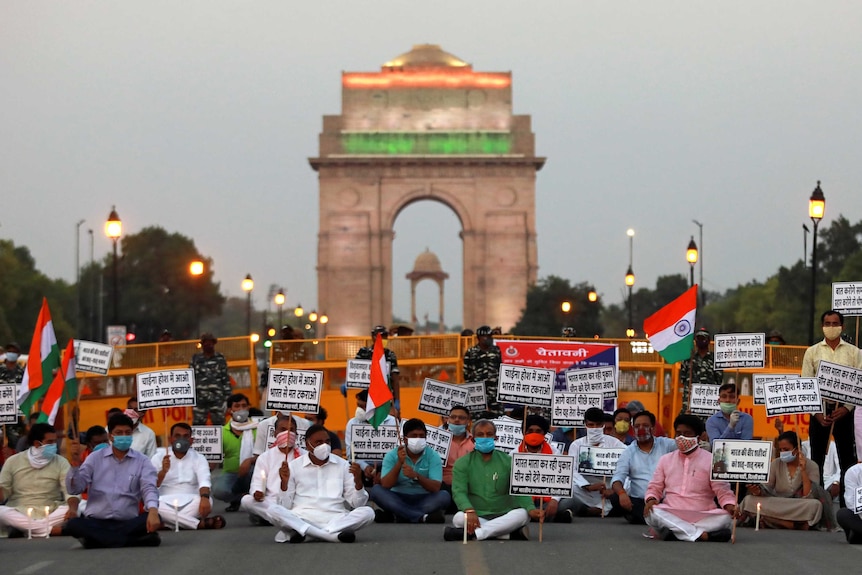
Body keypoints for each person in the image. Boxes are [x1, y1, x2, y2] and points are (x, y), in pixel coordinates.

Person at [65, 412, 162, 548]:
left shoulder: (142, 461)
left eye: (127, 432)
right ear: (110, 436)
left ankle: (97, 541)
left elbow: (149, 488)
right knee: (73, 524)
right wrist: (75, 465)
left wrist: (152, 511)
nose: (124, 436)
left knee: (155, 517)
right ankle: (131, 542)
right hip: (97, 520)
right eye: (119, 432)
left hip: (127, 521)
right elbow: (75, 488)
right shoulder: (94, 458)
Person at [267, 424, 374, 543]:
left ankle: (307, 533)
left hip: (335, 519)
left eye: (327, 442)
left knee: (368, 512)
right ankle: (331, 536)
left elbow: (357, 504)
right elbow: (284, 506)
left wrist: (358, 482)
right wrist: (284, 483)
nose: (324, 446)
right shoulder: (293, 466)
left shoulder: (343, 465)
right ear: (307, 445)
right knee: (273, 510)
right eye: (318, 442)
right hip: (302, 517)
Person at [643, 414, 736, 542]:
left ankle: (679, 533)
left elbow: (723, 491)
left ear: (699, 437)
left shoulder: (715, 460)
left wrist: (730, 505)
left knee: (726, 518)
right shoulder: (665, 460)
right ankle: (701, 535)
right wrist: (651, 499)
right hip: (671, 511)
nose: (682, 438)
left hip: (703, 514)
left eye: (687, 433)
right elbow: (655, 487)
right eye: (678, 433)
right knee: (653, 513)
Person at [443, 419, 540, 541]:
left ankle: (475, 534)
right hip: (476, 514)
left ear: (496, 438)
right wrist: (469, 509)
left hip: (504, 513)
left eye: (489, 434)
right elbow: (459, 492)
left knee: (523, 514)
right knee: (459, 518)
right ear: (473, 439)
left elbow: (519, 491)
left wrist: (531, 509)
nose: (485, 437)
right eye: (480, 435)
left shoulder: (508, 461)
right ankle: (506, 534)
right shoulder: (462, 463)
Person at [802, 310, 860, 491]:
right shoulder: (812, 352)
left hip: (843, 413)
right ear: (822, 326)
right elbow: (806, 384)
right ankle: (819, 504)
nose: (831, 327)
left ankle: (847, 507)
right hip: (820, 413)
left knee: (847, 462)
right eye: (827, 323)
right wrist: (817, 413)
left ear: (842, 326)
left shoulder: (855, 353)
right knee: (816, 461)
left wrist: (846, 409)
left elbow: (859, 383)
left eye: (835, 323)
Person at [739, 431, 835, 530]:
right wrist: (757, 491)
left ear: (797, 449)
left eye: (786, 449)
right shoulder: (776, 463)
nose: (783, 453)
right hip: (778, 503)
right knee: (749, 500)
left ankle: (771, 520)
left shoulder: (812, 465)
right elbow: (767, 488)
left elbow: (808, 495)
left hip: (798, 505)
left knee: (815, 505)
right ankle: (789, 524)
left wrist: (803, 471)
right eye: (781, 450)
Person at [0, 423, 78, 537]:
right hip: (20, 511)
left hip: (51, 511)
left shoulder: (61, 462)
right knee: (2, 512)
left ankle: (26, 529)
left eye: (55, 441)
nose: (54, 445)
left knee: (78, 507)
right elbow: (3, 492)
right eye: (50, 442)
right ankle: (51, 530)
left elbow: (70, 491)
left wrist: (73, 509)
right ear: (37, 443)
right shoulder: (13, 461)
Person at [370, 418, 450, 523]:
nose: (418, 439)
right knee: (376, 491)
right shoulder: (392, 455)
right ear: (405, 439)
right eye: (414, 435)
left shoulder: (433, 456)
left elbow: (435, 487)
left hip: (424, 498)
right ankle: (421, 517)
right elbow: (386, 484)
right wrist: (399, 463)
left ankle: (398, 515)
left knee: (444, 496)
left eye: (422, 436)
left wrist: (416, 476)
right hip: (397, 497)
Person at [609, 410, 677, 524]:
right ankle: (661, 519)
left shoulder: (667, 445)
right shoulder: (628, 452)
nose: (641, 429)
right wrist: (622, 494)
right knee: (616, 498)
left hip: (665, 499)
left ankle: (652, 517)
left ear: (653, 428)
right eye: (637, 426)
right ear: (632, 429)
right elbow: (617, 479)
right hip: (640, 500)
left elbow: (686, 447)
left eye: (645, 425)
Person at [152, 423, 223, 530]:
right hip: (163, 501)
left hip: (191, 501)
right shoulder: (158, 457)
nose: (181, 439)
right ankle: (197, 524)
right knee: (151, 505)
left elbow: (204, 481)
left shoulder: (199, 457)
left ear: (191, 440)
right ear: (170, 439)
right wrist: (163, 471)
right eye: (177, 436)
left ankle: (167, 523)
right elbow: (152, 484)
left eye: (185, 436)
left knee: (208, 501)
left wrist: (204, 498)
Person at [559, 407, 625, 518]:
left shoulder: (616, 444)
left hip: (608, 488)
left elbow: (625, 469)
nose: (594, 428)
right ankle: (598, 509)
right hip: (585, 489)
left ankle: (598, 509)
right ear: (585, 425)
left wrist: (613, 490)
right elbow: (572, 471)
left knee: (629, 485)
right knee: (570, 486)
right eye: (591, 425)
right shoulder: (576, 445)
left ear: (603, 425)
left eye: (598, 425)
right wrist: (587, 486)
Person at [241, 414, 303, 525]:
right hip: (271, 501)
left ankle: (273, 518)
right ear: (275, 433)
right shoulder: (265, 457)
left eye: (291, 430)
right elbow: (257, 483)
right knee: (246, 500)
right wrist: (257, 493)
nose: (288, 434)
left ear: (296, 433)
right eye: (283, 430)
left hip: (296, 500)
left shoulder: (304, 456)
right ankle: (284, 517)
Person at [517, 415, 567, 523]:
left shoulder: (554, 453)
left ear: (544, 434)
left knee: (571, 500)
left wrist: (554, 500)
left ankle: (536, 516)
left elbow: (562, 480)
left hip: (547, 499)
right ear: (523, 433)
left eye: (538, 431)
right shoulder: (514, 454)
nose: (534, 434)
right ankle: (546, 516)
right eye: (530, 431)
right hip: (524, 500)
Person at [214, 393, 257, 512]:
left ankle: (255, 500)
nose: (241, 409)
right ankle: (241, 498)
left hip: (253, 472)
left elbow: (266, 453)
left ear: (249, 408)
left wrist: (250, 460)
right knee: (218, 491)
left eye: (244, 405)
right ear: (230, 410)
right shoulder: (222, 432)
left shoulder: (258, 428)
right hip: (231, 473)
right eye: (237, 406)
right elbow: (214, 461)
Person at [345, 389, 397, 485]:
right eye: (358, 406)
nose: (359, 410)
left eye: (363, 406)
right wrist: (365, 467)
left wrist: (385, 469)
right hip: (361, 466)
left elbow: (396, 452)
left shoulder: (392, 422)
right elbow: (350, 452)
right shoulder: (352, 423)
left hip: (386, 466)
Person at [190, 333, 232, 425]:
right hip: (199, 397)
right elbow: (190, 379)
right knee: (198, 424)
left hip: (217, 397)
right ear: (202, 344)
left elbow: (225, 378)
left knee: (219, 424)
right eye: (205, 343)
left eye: (210, 343)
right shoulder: (196, 359)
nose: (208, 345)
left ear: (214, 344)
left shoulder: (220, 358)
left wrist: (228, 398)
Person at [679, 328, 724, 414]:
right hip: (690, 400)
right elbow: (683, 379)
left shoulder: (715, 359)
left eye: (703, 338)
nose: (700, 341)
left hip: (708, 401)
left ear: (708, 341)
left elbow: (719, 379)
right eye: (698, 338)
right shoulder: (688, 359)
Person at [463, 326, 503, 419]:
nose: (487, 338)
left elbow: (500, 367)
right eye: (484, 336)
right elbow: (466, 372)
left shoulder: (496, 350)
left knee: (498, 417)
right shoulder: (471, 352)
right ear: (478, 338)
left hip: (494, 390)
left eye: (489, 336)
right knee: (477, 418)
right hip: (478, 391)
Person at [354, 325, 401, 403]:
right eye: (381, 336)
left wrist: (397, 400)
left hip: (385, 397)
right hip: (367, 398)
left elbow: (395, 379)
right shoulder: (364, 352)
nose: (383, 339)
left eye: (385, 337)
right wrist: (347, 384)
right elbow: (354, 372)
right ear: (373, 337)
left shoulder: (390, 355)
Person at [442, 405, 475, 493]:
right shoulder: (440, 440)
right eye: (453, 417)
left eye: (461, 418)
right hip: (445, 486)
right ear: (448, 420)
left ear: (468, 421)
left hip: (469, 486)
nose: (457, 420)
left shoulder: (475, 442)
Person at [837, 461, 862, 543]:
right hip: (860, 516)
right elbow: (851, 503)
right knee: (842, 514)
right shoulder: (854, 471)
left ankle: (857, 535)